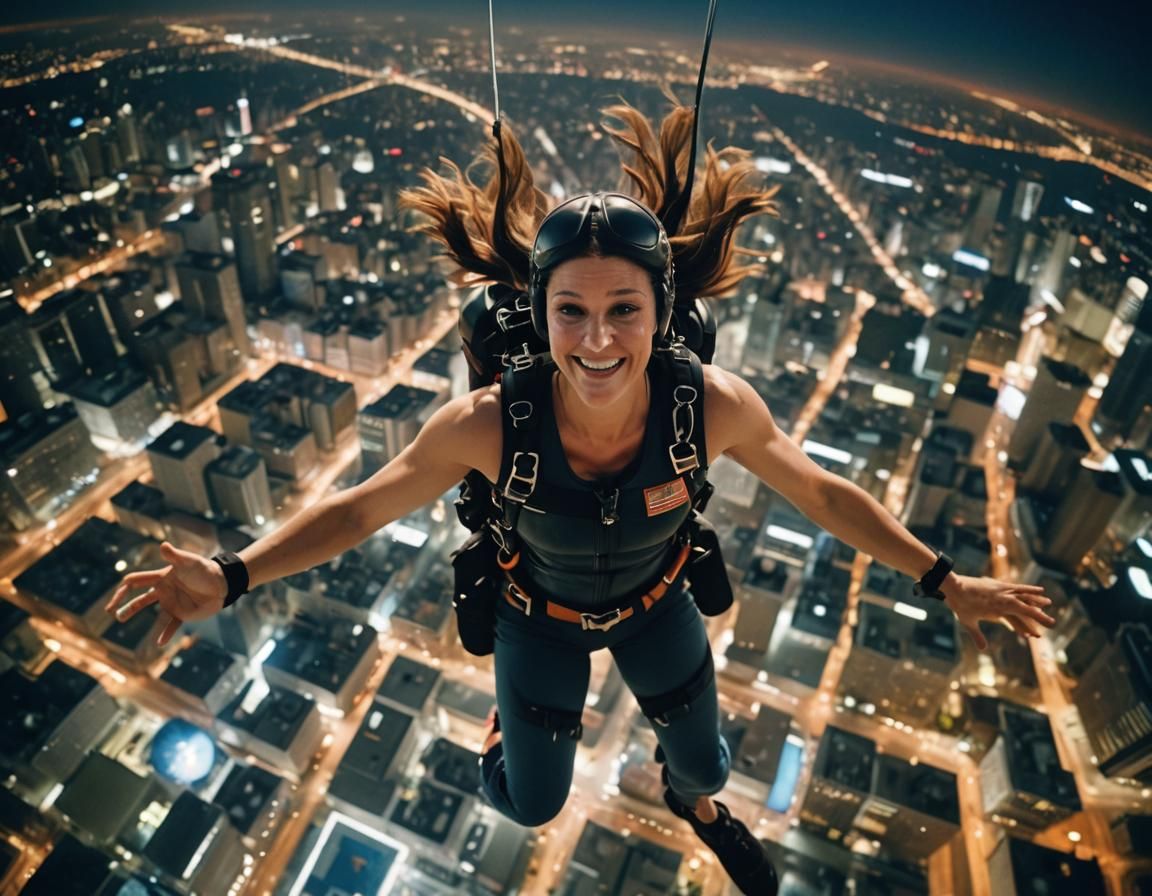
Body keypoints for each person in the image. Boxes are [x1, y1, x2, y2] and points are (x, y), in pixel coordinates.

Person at [107, 102, 1055, 896]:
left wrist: (946, 581)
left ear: (662, 311)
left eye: (624, 310)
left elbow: (823, 492)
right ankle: (504, 732)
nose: (598, 339)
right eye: (572, 311)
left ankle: (695, 805)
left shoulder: (708, 406)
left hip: (656, 604)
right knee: (532, 802)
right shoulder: (488, 422)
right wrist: (232, 576)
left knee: (707, 772)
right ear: (541, 311)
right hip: (538, 619)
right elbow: (362, 507)